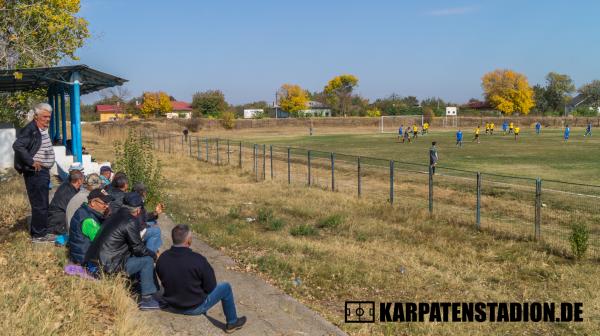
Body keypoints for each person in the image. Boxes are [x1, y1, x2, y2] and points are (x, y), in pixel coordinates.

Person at [156, 224, 247, 333]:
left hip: (172, 305)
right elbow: (211, 287)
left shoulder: (162, 258)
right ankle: (232, 323)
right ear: (189, 241)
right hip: (194, 308)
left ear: (173, 238)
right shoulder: (198, 260)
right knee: (225, 287)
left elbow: (163, 279)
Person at [84, 192, 159, 310]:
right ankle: (147, 300)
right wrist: (154, 255)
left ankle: (143, 287)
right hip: (107, 267)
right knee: (147, 260)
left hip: (95, 261)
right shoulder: (130, 221)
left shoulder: (114, 215)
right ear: (138, 210)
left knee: (139, 256)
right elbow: (138, 248)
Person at [13, 103, 56, 243]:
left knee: (43, 202)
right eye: (45, 116)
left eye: (49, 117)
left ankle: (41, 232)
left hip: (42, 171)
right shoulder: (30, 129)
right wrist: (31, 162)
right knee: (39, 204)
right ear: (36, 116)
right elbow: (17, 145)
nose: (48, 119)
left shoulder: (41, 127)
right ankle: (38, 236)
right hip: (35, 172)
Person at [69, 188, 113, 265]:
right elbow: (103, 243)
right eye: (104, 203)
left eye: (108, 203)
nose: (107, 206)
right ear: (93, 202)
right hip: (85, 261)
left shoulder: (85, 211)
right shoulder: (88, 220)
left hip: (82, 255)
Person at [47, 170, 84, 235]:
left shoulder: (64, 185)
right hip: (58, 223)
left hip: (52, 217)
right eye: (83, 179)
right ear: (79, 181)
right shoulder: (71, 194)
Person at [133, 183, 163, 253]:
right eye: (145, 192)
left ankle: (154, 248)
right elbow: (140, 222)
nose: (146, 194)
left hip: (133, 227)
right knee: (157, 231)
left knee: (154, 223)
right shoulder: (138, 203)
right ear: (143, 193)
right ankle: (150, 254)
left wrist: (155, 212)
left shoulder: (132, 199)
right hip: (134, 232)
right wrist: (149, 226)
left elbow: (143, 217)